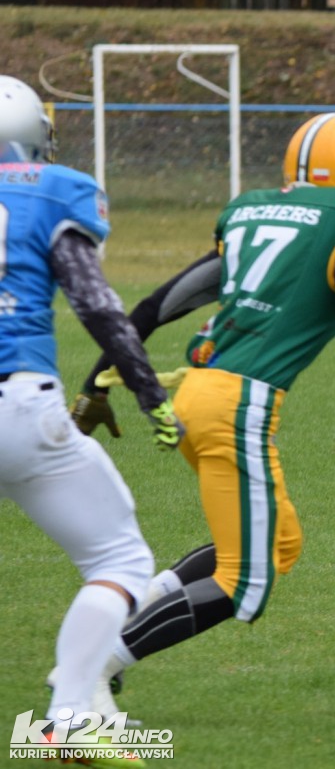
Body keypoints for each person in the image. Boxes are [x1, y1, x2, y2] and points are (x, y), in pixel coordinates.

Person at [68, 112, 335, 712]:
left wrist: (95, 386)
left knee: (277, 543)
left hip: (195, 396)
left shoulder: (251, 211)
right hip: (238, 405)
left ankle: (114, 632)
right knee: (245, 582)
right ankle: (93, 668)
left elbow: (158, 306)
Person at [0, 75, 184, 749]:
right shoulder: (47, 190)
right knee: (120, 557)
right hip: (17, 404)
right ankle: (72, 715)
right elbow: (97, 304)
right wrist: (147, 390)